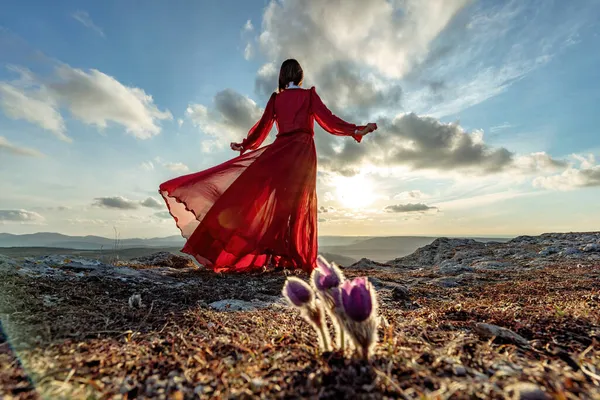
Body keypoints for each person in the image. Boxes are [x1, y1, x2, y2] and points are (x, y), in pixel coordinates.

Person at [159, 59, 377, 273]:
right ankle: (292, 257)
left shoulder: (276, 99)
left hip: (280, 152)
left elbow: (262, 128)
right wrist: (355, 130)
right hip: (302, 152)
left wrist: (245, 144)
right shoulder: (308, 95)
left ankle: (275, 257)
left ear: (282, 77)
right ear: (300, 76)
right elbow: (328, 119)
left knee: (277, 204)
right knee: (299, 204)